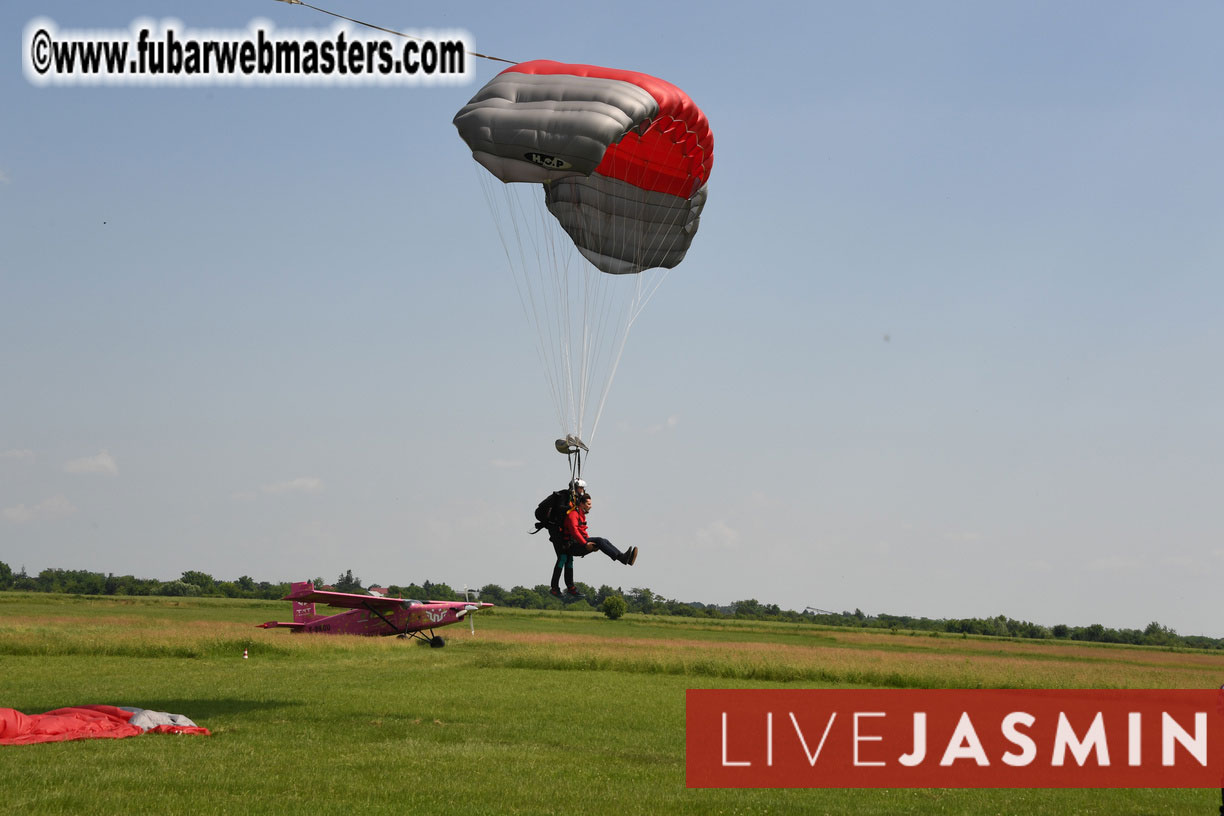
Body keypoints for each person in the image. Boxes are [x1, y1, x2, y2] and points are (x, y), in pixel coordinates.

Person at [550, 492, 637, 599]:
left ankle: (622, 557)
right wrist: (585, 543)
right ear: (581, 504)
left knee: (603, 541)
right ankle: (622, 558)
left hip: (578, 543)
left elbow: (582, 532)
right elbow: (574, 532)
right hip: (572, 546)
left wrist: (592, 544)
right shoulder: (573, 514)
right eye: (588, 504)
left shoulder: (580, 514)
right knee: (599, 541)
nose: (590, 506)